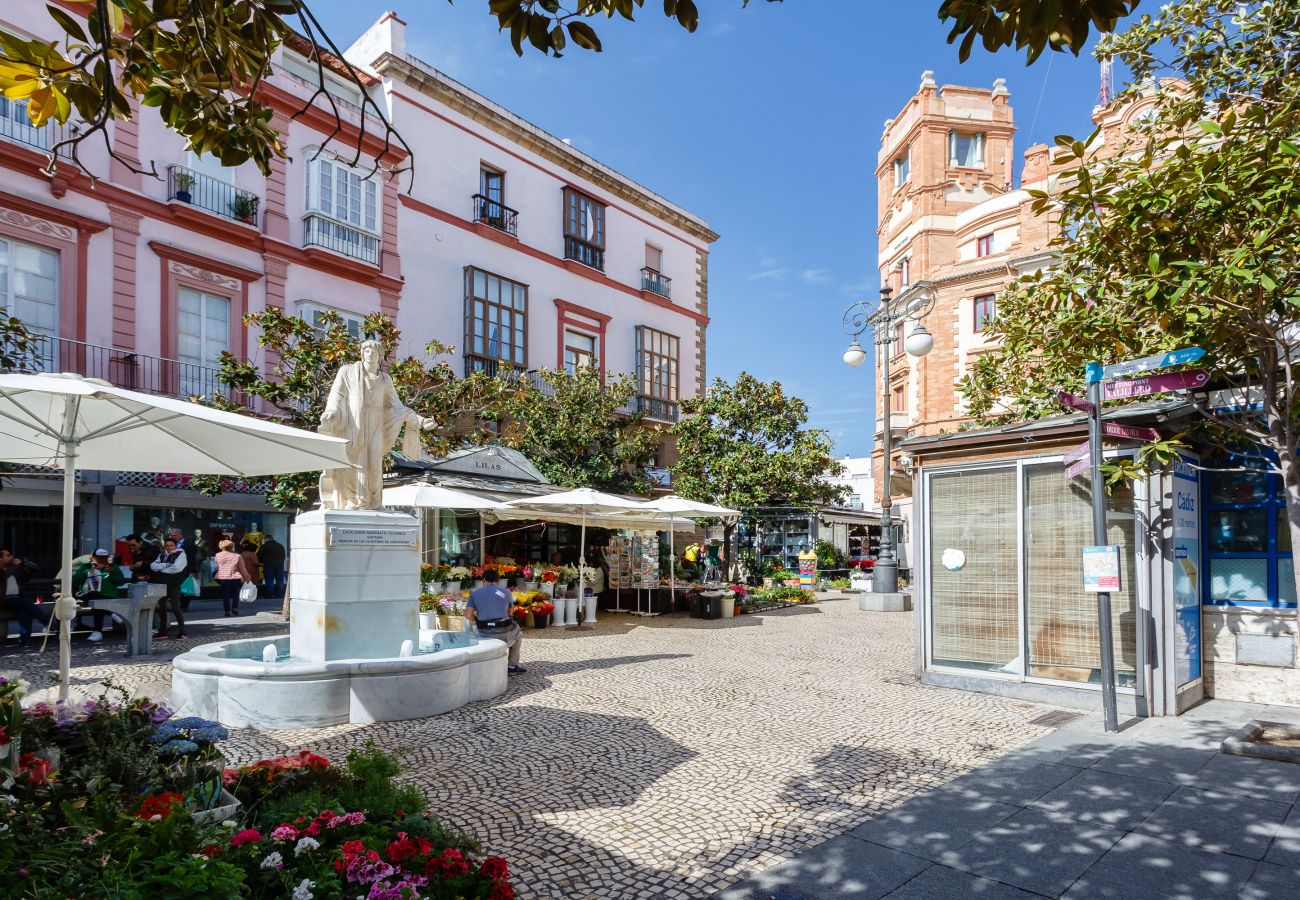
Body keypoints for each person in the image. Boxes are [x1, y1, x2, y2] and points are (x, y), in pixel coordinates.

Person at [317, 339, 435, 510]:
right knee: (355, 463)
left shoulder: (385, 379)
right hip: (354, 424)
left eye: (374, 352)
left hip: (376, 425)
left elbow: (397, 406)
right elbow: (337, 395)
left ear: (380, 356)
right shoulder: (347, 372)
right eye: (366, 351)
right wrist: (332, 413)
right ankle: (353, 500)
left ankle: (374, 502)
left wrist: (421, 420)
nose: (370, 354)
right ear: (361, 353)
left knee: (374, 465)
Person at [465, 568, 525, 675]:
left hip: (484, 632)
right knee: (519, 633)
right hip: (504, 632)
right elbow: (510, 614)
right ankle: (512, 665)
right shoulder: (507, 592)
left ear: (483, 580)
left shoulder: (474, 594)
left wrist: (478, 620)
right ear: (498, 581)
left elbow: (468, 615)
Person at [72, 549, 128, 642]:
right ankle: (110, 614)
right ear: (93, 558)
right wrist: (85, 573)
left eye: (104, 558)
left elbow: (120, 582)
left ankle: (97, 631)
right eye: (99, 559)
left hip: (108, 596)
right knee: (96, 600)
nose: (102, 561)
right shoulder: (86, 566)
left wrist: (112, 573)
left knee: (98, 604)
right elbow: (76, 580)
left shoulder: (112, 567)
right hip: (89, 594)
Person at [1, 548, 45, 646]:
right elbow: (4, 576)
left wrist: (27, 569)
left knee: (25, 612)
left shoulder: (12, 569)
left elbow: (24, 579)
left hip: (16, 599)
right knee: (27, 602)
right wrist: (15, 565)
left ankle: (23, 640)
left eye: (10, 555)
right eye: (7, 555)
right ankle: (48, 623)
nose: (11, 557)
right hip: (4, 600)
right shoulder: (5, 570)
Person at [150, 538, 188, 640]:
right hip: (162, 584)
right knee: (161, 608)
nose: (169, 547)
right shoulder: (162, 555)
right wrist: (166, 565)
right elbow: (152, 566)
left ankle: (182, 632)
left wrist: (161, 569)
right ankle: (162, 632)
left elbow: (177, 568)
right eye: (167, 545)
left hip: (174, 584)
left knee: (176, 608)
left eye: (171, 545)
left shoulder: (181, 554)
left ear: (175, 546)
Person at [213, 539, 251, 616]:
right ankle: (235, 609)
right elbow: (242, 568)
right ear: (231, 546)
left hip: (222, 577)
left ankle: (227, 611)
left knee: (225, 595)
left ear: (221, 546)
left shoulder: (217, 555)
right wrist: (247, 577)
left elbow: (216, 566)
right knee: (235, 594)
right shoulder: (237, 556)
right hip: (235, 577)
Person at [258, 534, 286, 600]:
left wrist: (263, 562)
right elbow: (283, 555)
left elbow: (260, 556)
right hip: (280, 565)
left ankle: (270, 594)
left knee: (269, 580)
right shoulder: (280, 545)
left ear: (265, 539)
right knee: (280, 580)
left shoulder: (264, 546)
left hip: (269, 565)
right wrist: (280, 562)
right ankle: (279, 594)